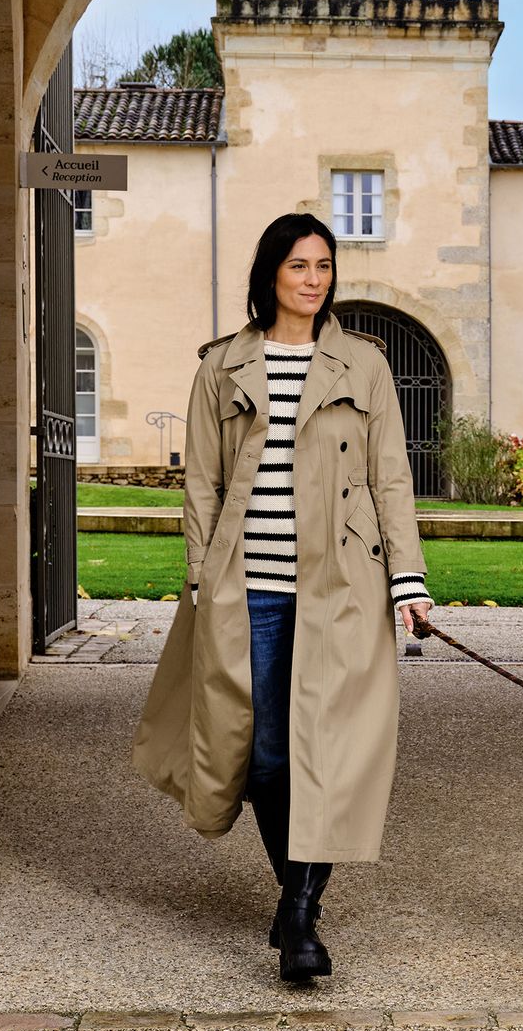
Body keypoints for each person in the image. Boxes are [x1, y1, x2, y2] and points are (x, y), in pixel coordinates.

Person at [132, 213, 433, 982]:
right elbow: (201, 480)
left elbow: (390, 477)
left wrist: (409, 578)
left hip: (343, 586)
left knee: (330, 752)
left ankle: (298, 917)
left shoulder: (364, 365)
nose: (313, 279)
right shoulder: (222, 366)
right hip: (245, 587)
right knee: (262, 754)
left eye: (324, 266)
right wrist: (202, 574)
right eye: (299, 266)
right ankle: (296, 896)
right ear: (271, 273)